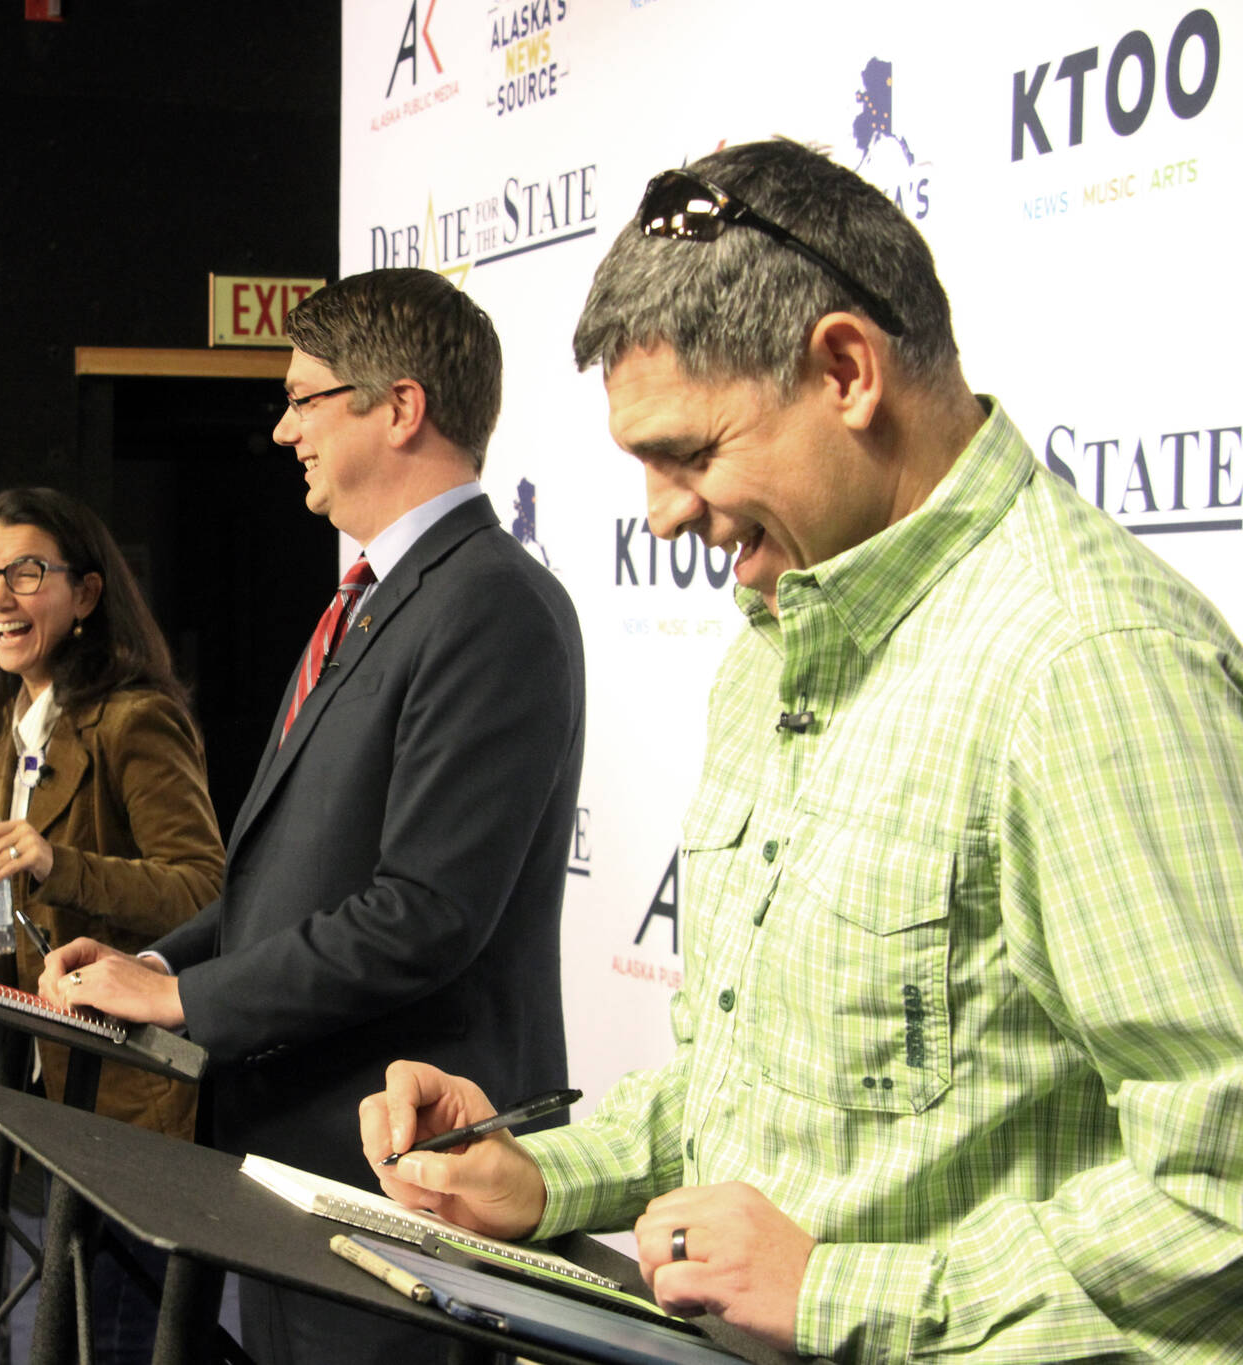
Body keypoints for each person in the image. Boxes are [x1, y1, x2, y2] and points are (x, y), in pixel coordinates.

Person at [360, 139, 1243, 1363]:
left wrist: (834, 1291)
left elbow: (1222, 1191)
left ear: (843, 370)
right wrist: (542, 1177)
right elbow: (752, 1101)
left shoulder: (1086, 661)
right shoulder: (777, 640)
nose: (663, 512)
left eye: (688, 453)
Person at [37, 268, 588, 1363]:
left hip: (404, 1165)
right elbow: (286, 880)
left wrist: (184, 996)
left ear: (399, 406)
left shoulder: (490, 606)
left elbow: (422, 912)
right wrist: (147, 960)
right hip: (306, 1154)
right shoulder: (375, 598)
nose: (281, 428)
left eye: (303, 398)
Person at [0, 486, 225, 1364]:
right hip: (60, 1081)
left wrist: (62, 862)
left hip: (139, 1095)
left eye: (27, 572)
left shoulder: (135, 718)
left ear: (87, 594)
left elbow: (206, 889)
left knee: (122, 1339)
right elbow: (16, 886)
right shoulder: (12, 725)